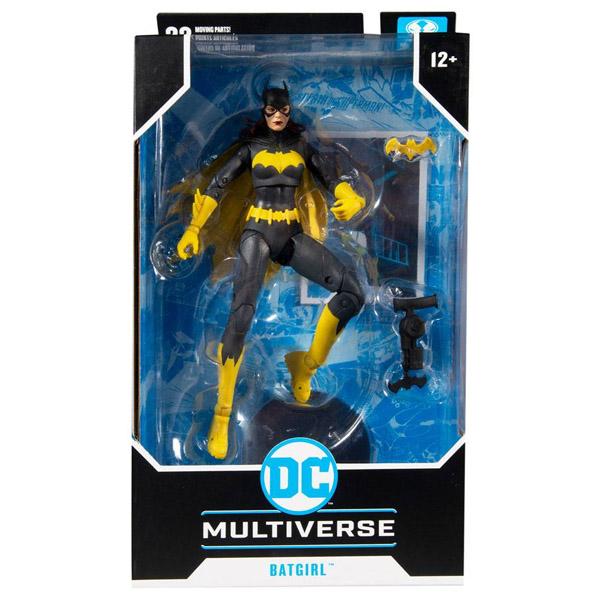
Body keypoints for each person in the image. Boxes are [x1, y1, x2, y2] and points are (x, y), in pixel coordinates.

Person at [177, 83, 366, 459]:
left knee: (353, 292)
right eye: (271, 111)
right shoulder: (250, 148)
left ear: (290, 111)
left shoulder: (301, 147)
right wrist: (194, 229)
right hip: (257, 234)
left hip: (291, 234)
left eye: (283, 111)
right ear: (263, 111)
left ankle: (306, 366)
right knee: (241, 315)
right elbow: (216, 186)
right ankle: (222, 416)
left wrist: (351, 197)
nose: (278, 117)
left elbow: (332, 179)